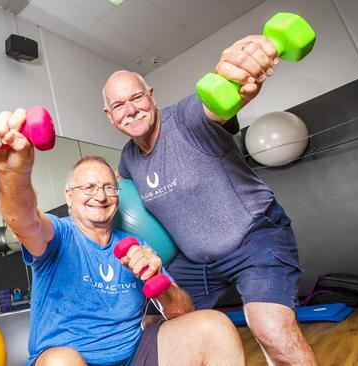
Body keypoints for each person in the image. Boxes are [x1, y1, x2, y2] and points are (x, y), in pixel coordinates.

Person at [102, 35, 318, 365]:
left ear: (152, 97)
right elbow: (118, 184)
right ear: (110, 115)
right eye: (119, 105)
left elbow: (218, 104)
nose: (130, 110)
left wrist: (239, 79)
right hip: (195, 262)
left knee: (272, 330)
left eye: (136, 98)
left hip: (254, 237)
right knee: (156, 324)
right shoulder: (129, 158)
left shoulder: (187, 117)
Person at [0, 107, 246, 365]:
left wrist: (159, 282)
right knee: (60, 362)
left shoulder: (136, 246)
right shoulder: (60, 235)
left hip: (133, 356)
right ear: (69, 196)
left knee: (215, 326)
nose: (101, 195)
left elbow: (180, 312)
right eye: (89, 187)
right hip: (70, 358)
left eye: (108, 187)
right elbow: (24, 220)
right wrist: (12, 172)